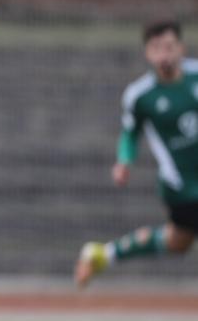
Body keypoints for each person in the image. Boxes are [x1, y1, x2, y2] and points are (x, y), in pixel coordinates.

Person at [77, 20, 198, 286]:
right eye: (156, 48)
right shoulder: (140, 95)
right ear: (147, 53)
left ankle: (103, 254)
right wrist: (124, 161)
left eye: (169, 46)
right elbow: (130, 134)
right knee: (179, 241)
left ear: (181, 48)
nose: (164, 54)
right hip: (181, 185)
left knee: (178, 242)